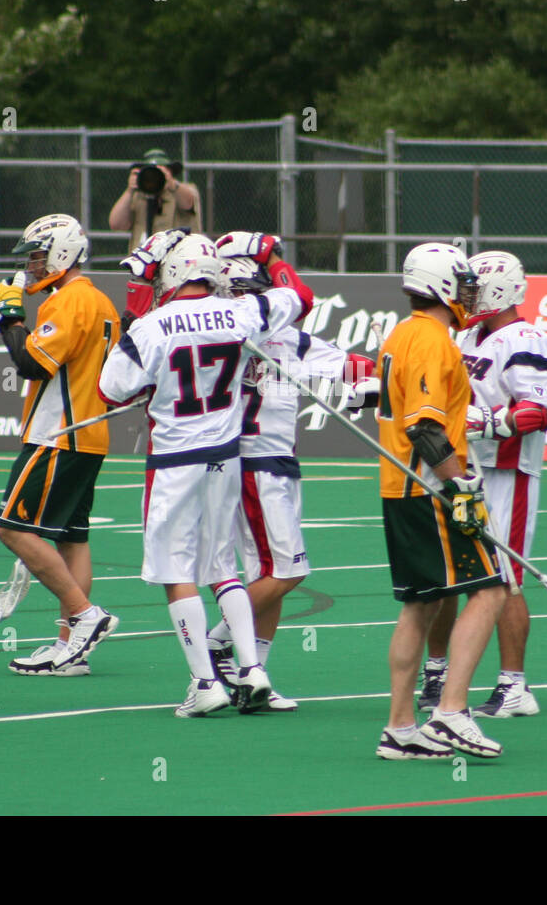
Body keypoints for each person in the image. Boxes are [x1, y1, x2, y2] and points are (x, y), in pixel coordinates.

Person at [98, 232, 316, 717]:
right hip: (226, 455)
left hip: (175, 458)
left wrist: (135, 326)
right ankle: (252, 669)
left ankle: (204, 682)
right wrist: (271, 256)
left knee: (176, 572)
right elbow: (298, 297)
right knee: (223, 568)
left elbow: (110, 391)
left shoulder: (152, 326)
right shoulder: (242, 312)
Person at [204, 235, 377, 711]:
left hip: (277, 462)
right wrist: (272, 257)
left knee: (269, 570)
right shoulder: (228, 335)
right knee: (289, 570)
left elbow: (350, 364)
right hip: (254, 463)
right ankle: (216, 642)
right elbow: (299, 296)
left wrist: (369, 380)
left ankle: (252, 673)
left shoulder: (281, 337)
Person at [374, 242, 510, 761]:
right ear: (441, 285)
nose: (470, 293)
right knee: (490, 591)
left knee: (420, 604)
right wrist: (463, 486)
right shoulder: (431, 339)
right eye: (463, 282)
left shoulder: (401, 334)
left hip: (399, 488)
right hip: (428, 488)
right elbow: (426, 427)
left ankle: (399, 727)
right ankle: (452, 712)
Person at [413, 252, 547, 718]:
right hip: (456, 470)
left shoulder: (527, 337)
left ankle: (514, 686)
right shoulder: (466, 335)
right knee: (442, 579)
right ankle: (437, 672)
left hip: (504, 473)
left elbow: (543, 410)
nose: (467, 295)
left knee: (504, 580)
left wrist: (488, 422)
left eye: (476, 288)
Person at [0, 213, 122, 676]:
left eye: (40, 253)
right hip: (90, 433)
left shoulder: (68, 302)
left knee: (11, 527)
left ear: (64, 251)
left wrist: (8, 316)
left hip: (58, 433)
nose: (32, 264)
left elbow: (30, 362)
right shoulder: (101, 301)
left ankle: (84, 615)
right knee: (72, 538)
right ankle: (70, 646)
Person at [108, 148, 201, 252]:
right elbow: (116, 224)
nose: (154, 178)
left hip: (177, 262)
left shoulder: (184, 190)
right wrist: (129, 191)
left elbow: (188, 203)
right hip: (143, 264)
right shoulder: (137, 196)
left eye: (160, 171)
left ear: (170, 171)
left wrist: (171, 183)